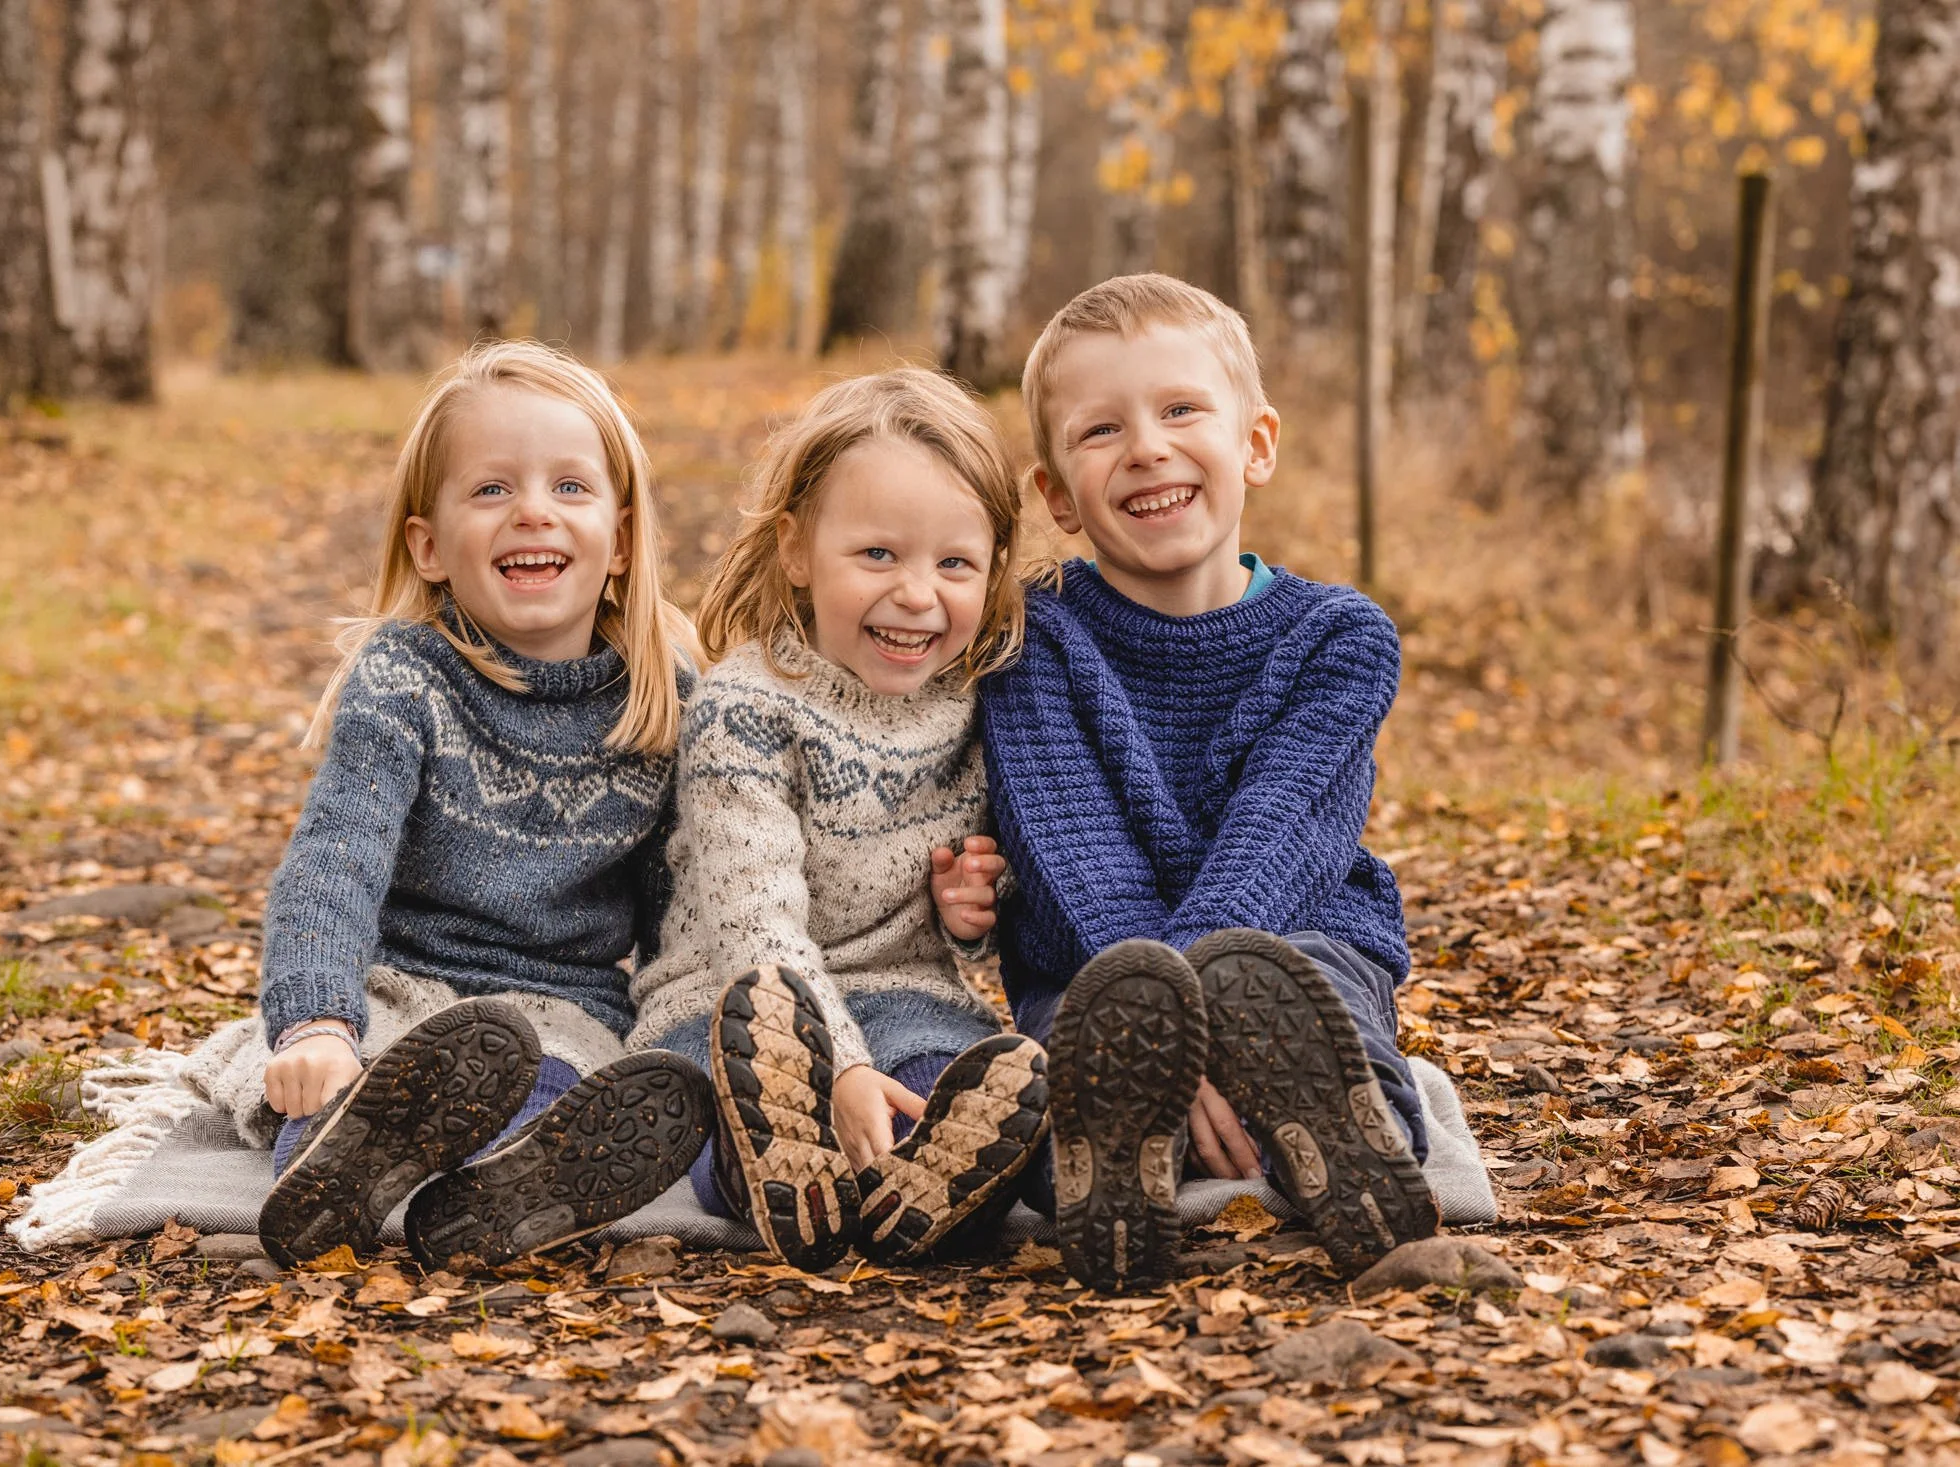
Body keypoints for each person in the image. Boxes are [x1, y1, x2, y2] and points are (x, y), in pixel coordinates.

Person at [980, 274, 1439, 1291]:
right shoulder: (1031, 637)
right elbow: (1076, 856)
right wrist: (1162, 1019)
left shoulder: (1338, 639)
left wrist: (1199, 1018)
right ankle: (1112, 1179)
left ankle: (1349, 1151)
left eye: (1181, 410)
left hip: (1295, 936)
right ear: (1056, 495)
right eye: (1101, 430)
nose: (1146, 446)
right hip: (1101, 970)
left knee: (1324, 1009)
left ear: (1255, 445)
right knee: (1076, 1062)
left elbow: (1280, 838)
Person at [252, 339, 712, 1271]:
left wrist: (691, 1049)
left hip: (561, 1000)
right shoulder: (406, 678)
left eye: (570, 488)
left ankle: (511, 1189)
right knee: (350, 1087)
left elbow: (681, 925)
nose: (533, 510)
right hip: (400, 985)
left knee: (556, 1079)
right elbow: (332, 863)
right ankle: (342, 1167)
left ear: (622, 541)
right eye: (492, 489)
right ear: (429, 545)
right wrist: (315, 1022)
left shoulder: (663, 700)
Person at [627, 368, 1046, 1271]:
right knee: (722, 1096)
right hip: (731, 997)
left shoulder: (979, 701)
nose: (917, 595)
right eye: (878, 555)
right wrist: (839, 1066)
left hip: (903, 989)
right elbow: (754, 914)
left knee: (951, 1078)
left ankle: (933, 1192)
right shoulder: (748, 704)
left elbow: (972, 921)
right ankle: (776, 1180)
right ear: (796, 550)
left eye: (954, 564)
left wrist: (970, 915)